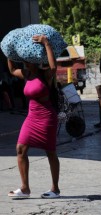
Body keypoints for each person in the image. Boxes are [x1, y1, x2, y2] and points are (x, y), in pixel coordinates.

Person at [7, 34, 60, 199]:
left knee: (50, 152)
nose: (25, 63)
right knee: (20, 149)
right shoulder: (26, 74)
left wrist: (46, 44)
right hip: (31, 117)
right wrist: (9, 53)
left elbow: (53, 67)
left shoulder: (45, 75)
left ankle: (55, 189)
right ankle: (25, 188)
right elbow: (11, 70)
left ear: (35, 61)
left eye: (27, 61)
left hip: (47, 117)